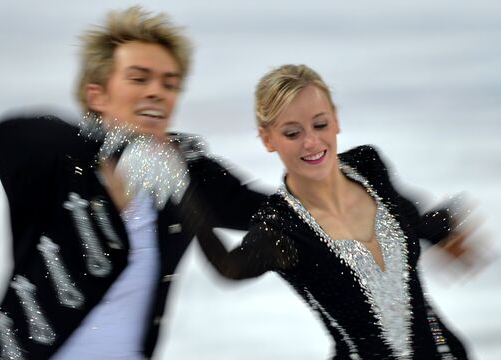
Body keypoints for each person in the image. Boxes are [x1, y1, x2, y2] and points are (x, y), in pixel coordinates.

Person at [0, 6, 266, 360]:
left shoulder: (181, 169)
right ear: (97, 96)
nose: (158, 92)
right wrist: (116, 150)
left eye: (169, 84)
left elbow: (265, 209)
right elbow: (13, 132)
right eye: (139, 79)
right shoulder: (60, 165)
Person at [191, 64, 476, 359]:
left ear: (336, 120)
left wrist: (441, 232)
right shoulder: (280, 228)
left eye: (320, 124)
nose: (312, 142)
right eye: (292, 132)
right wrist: (184, 199)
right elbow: (230, 267)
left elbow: (405, 211)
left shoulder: (369, 167)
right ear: (267, 139)